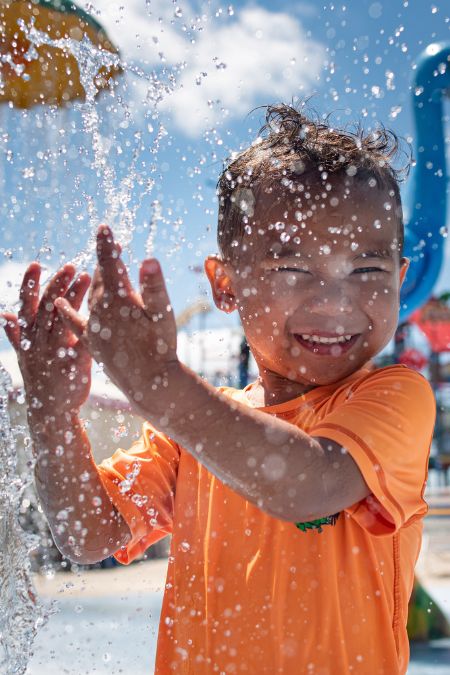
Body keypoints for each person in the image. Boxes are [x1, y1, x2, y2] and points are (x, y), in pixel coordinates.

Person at [2, 104, 436, 674]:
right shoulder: (188, 434)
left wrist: (160, 385)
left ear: (400, 279)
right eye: (293, 269)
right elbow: (86, 533)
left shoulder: (393, 398)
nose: (335, 302)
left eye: (366, 271)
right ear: (226, 284)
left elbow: (303, 484)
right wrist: (54, 416)